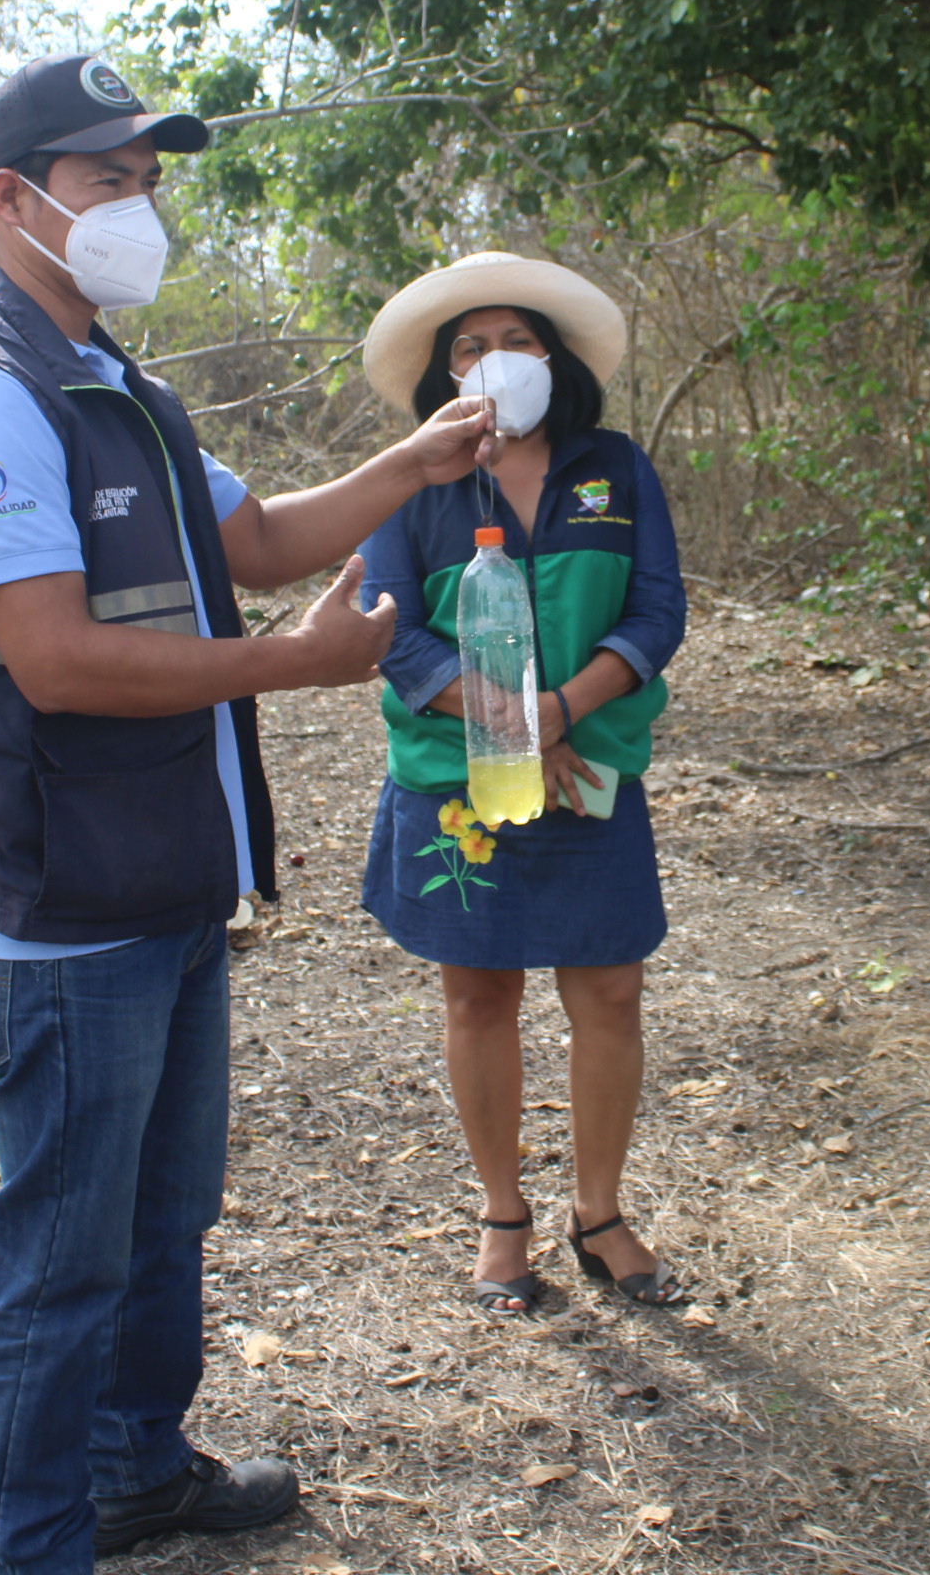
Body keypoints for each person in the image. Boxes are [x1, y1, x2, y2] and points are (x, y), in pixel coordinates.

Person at [0, 53, 499, 1575]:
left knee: (160, 1222)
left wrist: (412, 461)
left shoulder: (117, 388)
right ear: (14, 199)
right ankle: (31, 1541)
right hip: (58, 909)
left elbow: (263, 537)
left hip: (158, 880)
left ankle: (134, 1471)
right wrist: (297, 667)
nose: (140, 211)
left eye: (149, 183)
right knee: (59, 1262)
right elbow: (55, 658)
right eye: (110, 181)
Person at [353, 253, 691, 1314]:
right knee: (479, 992)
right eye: (469, 346)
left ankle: (600, 1211)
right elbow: (390, 630)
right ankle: (504, 1216)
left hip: (589, 767)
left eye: (515, 340)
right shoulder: (410, 479)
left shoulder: (614, 468)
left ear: (553, 359)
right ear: (443, 376)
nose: (494, 360)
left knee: (611, 992)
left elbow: (658, 608)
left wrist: (560, 711)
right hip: (459, 780)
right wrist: (507, 722)